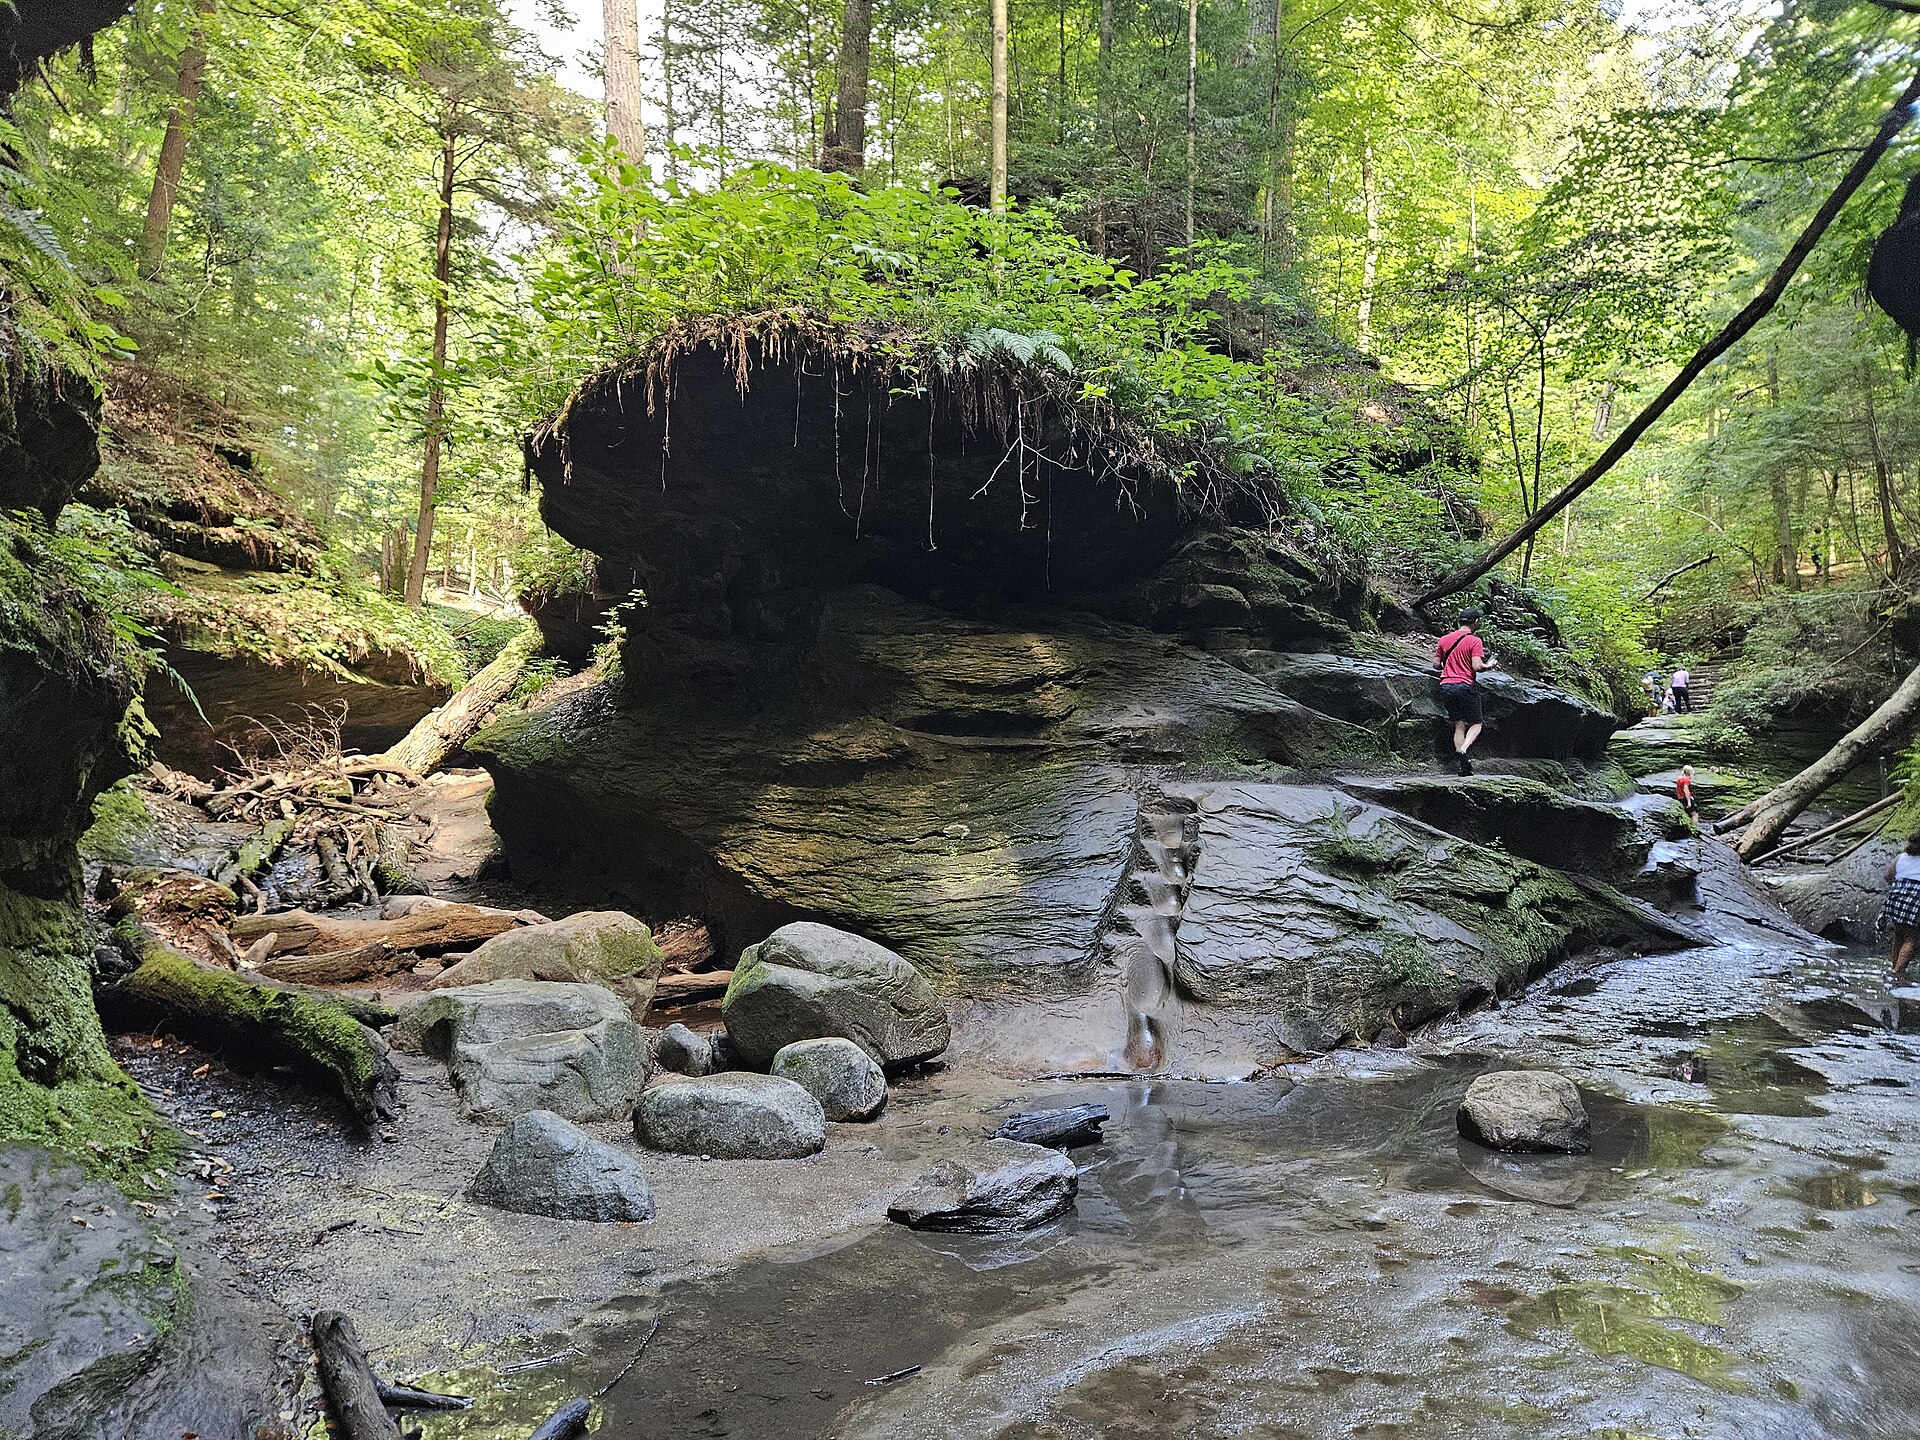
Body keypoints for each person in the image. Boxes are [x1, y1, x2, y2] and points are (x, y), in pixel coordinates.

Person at [1435, 607, 1500, 775]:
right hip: (1465, 685)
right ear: (1475, 623)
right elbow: (1477, 666)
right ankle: (1463, 749)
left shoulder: (1444, 639)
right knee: (1476, 723)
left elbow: (1436, 665)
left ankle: (1462, 767)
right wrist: (1490, 665)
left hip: (1446, 686)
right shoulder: (1474, 641)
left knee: (1459, 723)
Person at [1885, 833, 1920, 982]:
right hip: (1915, 899)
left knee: (1898, 934)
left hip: (1896, 898)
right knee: (1911, 938)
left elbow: (1888, 876)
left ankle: (1894, 967)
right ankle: (1898, 972)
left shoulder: (1901, 857)